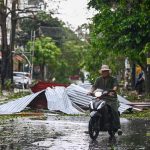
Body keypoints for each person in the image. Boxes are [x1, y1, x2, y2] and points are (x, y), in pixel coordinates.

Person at [88, 64, 122, 134]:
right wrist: (90, 91)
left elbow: (115, 86)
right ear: (101, 72)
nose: (104, 72)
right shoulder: (98, 79)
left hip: (111, 98)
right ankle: (92, 125)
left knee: (114, 110)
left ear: (108, 72)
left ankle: (118, 127)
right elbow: (94, 86)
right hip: (101, 97)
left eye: (106, 71)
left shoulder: (113, 79)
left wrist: (113, 91)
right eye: (103, 71)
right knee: (93, 105)